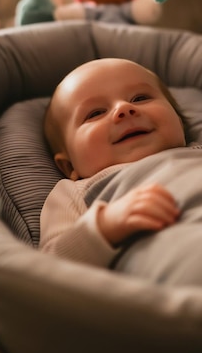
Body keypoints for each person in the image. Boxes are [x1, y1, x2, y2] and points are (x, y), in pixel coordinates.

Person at [40, 58, 188, 265]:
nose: (124, 108)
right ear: (69, 166)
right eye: (96, 113)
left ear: (179, 122)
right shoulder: (74, 192)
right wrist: (105, 226)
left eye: (140, 98)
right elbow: (48, 268)